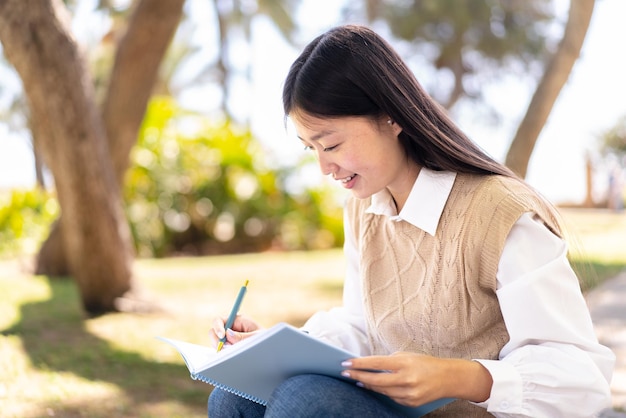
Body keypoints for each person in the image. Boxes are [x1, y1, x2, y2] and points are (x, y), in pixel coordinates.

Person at [207, 24, 615, 417]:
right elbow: (363, 326)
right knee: (234, 397)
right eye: (310, 148)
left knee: (306, 401)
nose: (324, 167)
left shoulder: (499, 215)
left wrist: (460, 377)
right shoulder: (365, 209)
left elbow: (583, 380)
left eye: (331, 144)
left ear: (391, 116)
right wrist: (276, 346)